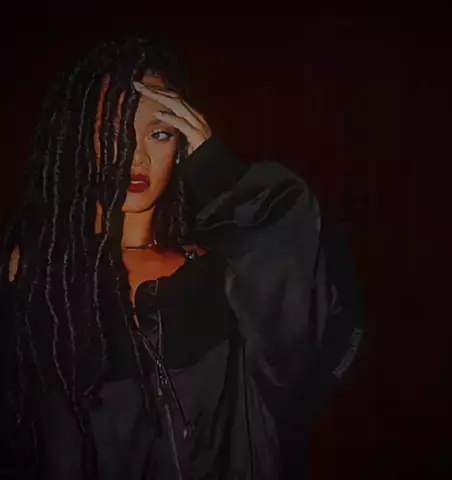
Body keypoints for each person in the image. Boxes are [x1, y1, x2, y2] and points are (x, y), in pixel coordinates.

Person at [0, 37, 363, 479]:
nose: (137, 155)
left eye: (159, 133)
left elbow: (308, 319)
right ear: (79, 141)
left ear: (182, 148)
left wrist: (220, 174)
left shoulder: (224, 273)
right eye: (114, 130)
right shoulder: (43, 279)